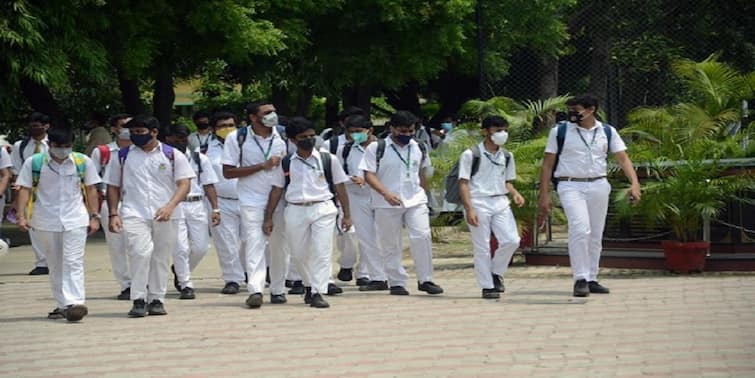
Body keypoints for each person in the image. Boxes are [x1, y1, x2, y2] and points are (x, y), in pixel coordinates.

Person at [538, 94, 641, 297]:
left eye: (576, 109)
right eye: (570, 110)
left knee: (595, 233)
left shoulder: (607, 131)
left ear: (591, 109)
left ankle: (592, 277)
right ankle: (580, 278)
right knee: (580, 229)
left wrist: (635, 183)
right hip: (570, 184)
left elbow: (623, 158)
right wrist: (544, 194)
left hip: (598, 184)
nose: (572, 113)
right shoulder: (560, 131)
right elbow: (548, 164)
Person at [106, 115, 194, 317]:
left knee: (161, 257)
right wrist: (113, 213)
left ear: (154, 132)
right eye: (132, 132)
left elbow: (184, 184)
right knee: (140, 253)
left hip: (166, 214)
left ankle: (156, 299)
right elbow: (113, 186)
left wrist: (170, 206)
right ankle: (138, 299)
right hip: (133, 212)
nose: (135, 136)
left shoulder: (172, 155)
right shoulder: (122, 156)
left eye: (140, 132)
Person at [263, 117, 352, 308]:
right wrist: (268, 217)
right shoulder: (286, 163)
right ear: (293, 140)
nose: (309, 139)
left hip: (324, 208)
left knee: (321, 251)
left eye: (312, 135)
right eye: (303, 137)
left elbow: (340, 187)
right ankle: (308, 284)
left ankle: (318, 292)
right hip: (295, 209)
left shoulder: (329, 159)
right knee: (298, 253)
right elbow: (277, 190)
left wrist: (347, 214)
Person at [15, 127, 101, 321]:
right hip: (45, 220)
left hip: (76, 218)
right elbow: (25, 190)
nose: (63, 150)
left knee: (73, 260)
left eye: (67, 146)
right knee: (55, 263)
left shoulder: (82, 162)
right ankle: (63, 304)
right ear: (50, 145)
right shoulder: (35, 163)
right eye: (58, 146)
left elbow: (91, 189)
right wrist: (21, 216)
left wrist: (94, 216)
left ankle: (76, 302)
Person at [359, 110, 443, 296]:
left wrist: (425, 194)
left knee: (422, 237)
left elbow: (422, 172)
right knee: (390, 243)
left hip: (415, 199)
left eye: (410, 131)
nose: (406, 135)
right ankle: (396, 281)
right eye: (402, 131)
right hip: (385, 202)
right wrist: (385, 193)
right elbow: (368, 174)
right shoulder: (376, 147)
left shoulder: (419, 147)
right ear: (392, 128)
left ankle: (426, 279)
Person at [222, 101, 287, 309]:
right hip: (251, 199)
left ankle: (277, 289)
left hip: (279, 197)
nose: (272, 115)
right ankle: (256, 290)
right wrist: (262, 166)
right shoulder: (237, 138)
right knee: (254, 242)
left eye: (274, 111)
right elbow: (228, 172)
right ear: (253, 117)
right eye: (267, 113)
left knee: (279, 245)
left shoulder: (283, 135)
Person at [458, 116, 524, 299]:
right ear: (485, 131)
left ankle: (496, 272)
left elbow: (507, 181)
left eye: (505, 130)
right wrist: (469, 208)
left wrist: (515, 193)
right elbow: (463, 183)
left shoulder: (507, 155)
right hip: (478, 201)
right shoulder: (471, 154)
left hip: (500, 201)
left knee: (512, 240)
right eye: (497, 130)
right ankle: (487, 286)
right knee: (482, 246)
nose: (502, 134)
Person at [168, 124, 221, 300]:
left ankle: (180, 270)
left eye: (183, 139)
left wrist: (215, 208)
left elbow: (209, 185)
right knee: (180, 247)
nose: (180, 143)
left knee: (201, 247)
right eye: (176, 139)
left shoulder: (200, 159)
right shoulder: (163, 158)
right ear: (167, 139)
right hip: (175, 204)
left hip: (197, 204)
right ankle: (186, 284)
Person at [336, 115, 388, 291]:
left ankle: (378, 273)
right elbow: (338, 174)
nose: (355, 135)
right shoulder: (346, 149)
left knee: (382, 237)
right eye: (351, 132)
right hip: (356, 197)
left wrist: (368, 180)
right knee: (365, 237)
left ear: (370, 130)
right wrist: (351, 179)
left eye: (358, 132)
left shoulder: (384, 148)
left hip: (380, 196)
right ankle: (376, 277)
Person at [321, 107, 366, 285]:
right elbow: (325, 169)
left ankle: (364, 273)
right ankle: (346, 264)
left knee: (367, 236)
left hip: (367, 193)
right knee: (348, 233)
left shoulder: (373, 145)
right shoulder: (331, 145)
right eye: (353, 129)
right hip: (342, 193)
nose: (357, 133)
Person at [90, 114, 132, 300]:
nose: (128, 129)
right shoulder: (103, 151)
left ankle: (144, 281)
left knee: (140, 244)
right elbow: (91, 180)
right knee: (117, 246)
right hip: (112, 201)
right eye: (124, 126)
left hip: (137, 201)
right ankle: (126, 284)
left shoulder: (141, 149)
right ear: (114, 129)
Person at [206, 112, 246, 295]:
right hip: (221, 200)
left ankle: (254, 274)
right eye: (222, 126)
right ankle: (232, 279)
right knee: (226, 242)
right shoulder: (206, 150)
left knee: (252, 240)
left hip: (248, 199)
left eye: (231, 124)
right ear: (214, 130)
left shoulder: (247, 144)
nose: (227, 129)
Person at [11, 112, 51, 275]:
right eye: (31, 126)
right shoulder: (20, 145)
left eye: (37, 125)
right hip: (29, 188)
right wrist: (17, 191)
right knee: (33, 224)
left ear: (46, 126)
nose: (33, 129)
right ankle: (42, 263)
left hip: (51, 187)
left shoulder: (53, 143)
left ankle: (55, 259)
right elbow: (16, 168)